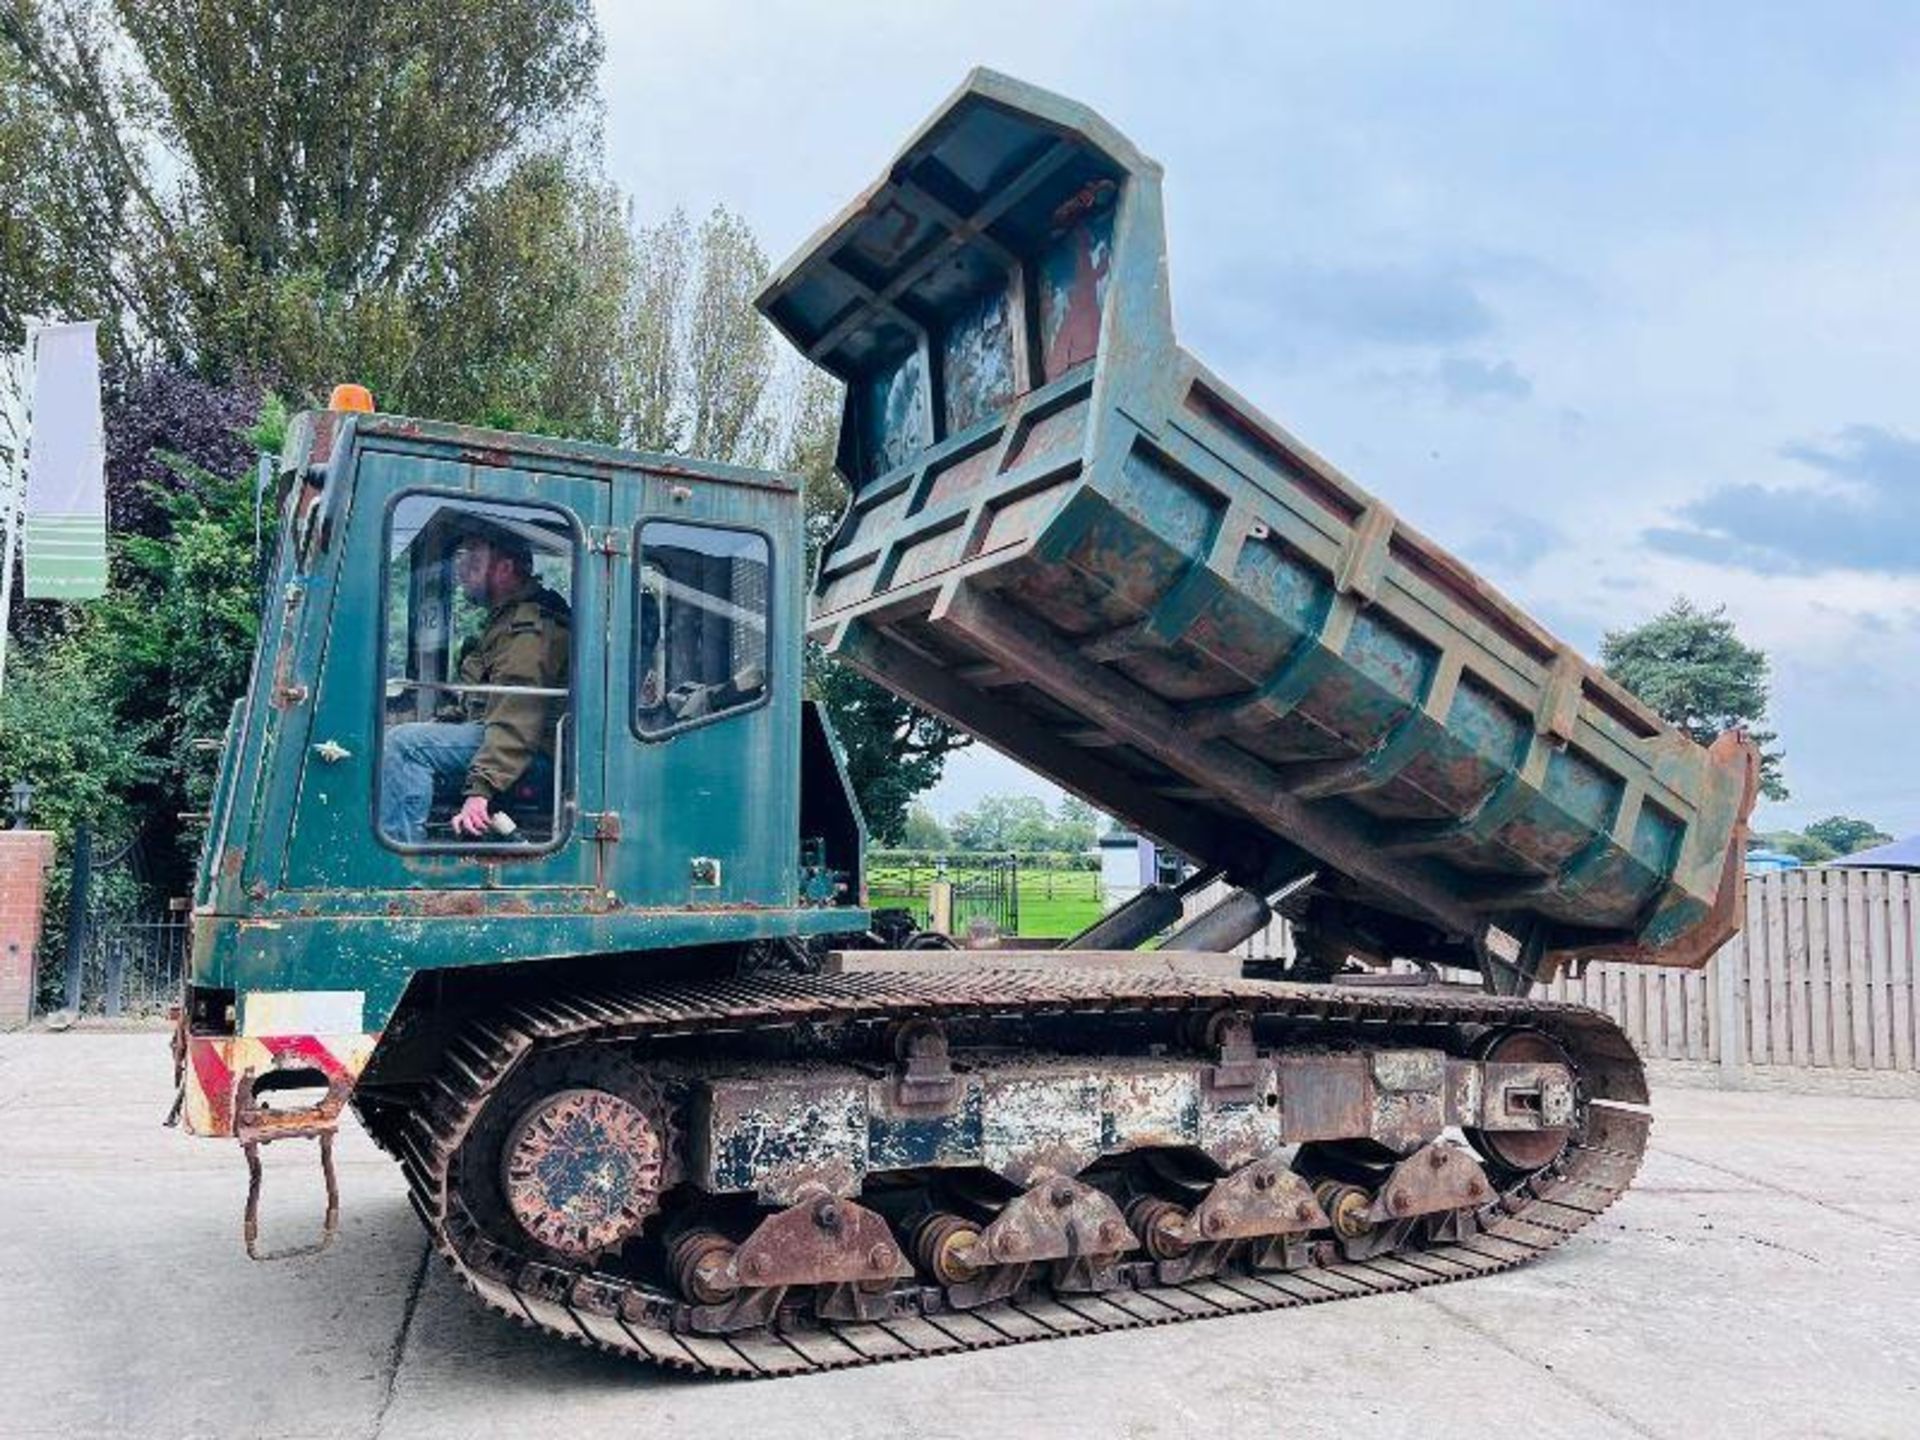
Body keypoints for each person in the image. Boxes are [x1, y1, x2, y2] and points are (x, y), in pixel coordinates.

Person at [380, 523, 570, 844]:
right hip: (508, 742)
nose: (461, 570)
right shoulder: (503, 620)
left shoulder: (530, 628)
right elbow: (487, 705)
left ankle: (398, 860)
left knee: (403, 746)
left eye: (473, 560)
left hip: (535, 753)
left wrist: (480, 791)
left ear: (505, 568)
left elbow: (517, 718)